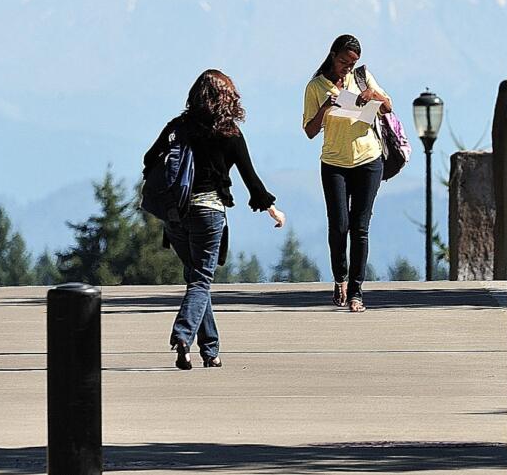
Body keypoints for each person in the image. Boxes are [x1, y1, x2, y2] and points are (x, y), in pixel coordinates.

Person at [145, 69, 283, 371]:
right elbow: (251, 179)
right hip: (209, 213)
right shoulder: (229, 132)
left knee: (196, 278)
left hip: (176, 215)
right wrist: (271, 208)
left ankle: (210, 351)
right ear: (227, 98)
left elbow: (149, 159)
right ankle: (182, 334)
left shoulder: (178, 127)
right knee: (201, 280)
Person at [302, 34, 393, 313]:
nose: (347, 68)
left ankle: (356, 292)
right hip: (334, 163)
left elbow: (388, 107)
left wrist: (372, 95)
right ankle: (340, 277)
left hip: (368, 159)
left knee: (360, 227)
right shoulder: (316, 86)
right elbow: (309, 131)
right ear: (332, 55)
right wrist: (326, 107)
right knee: (339, 225)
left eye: (352, 63)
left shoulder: (363, 77)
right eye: (343, 61)